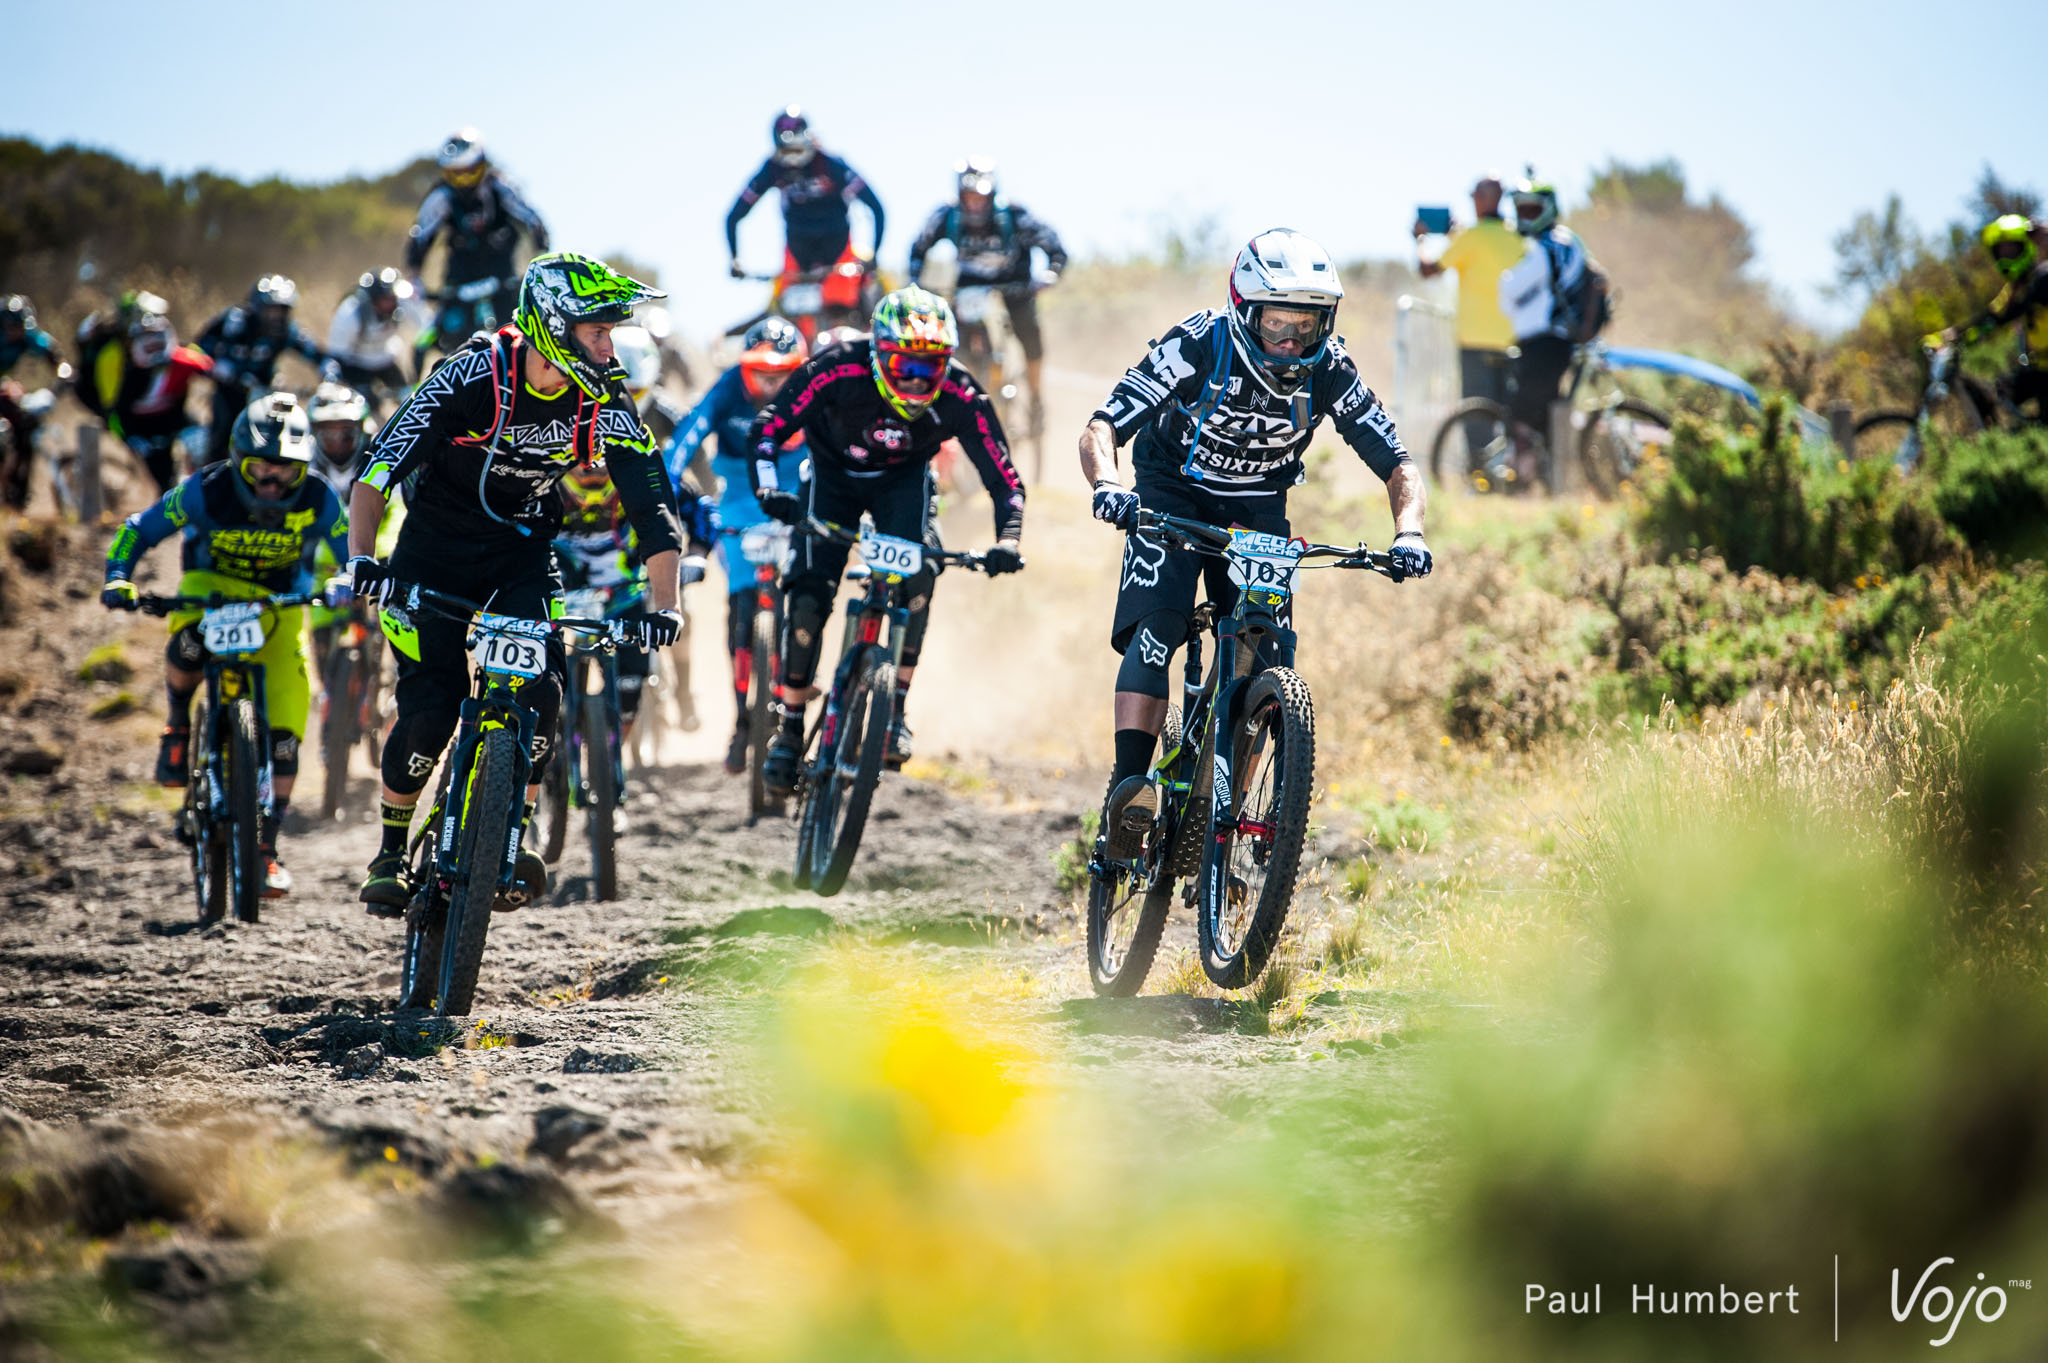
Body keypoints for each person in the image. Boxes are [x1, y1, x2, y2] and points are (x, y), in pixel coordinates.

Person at [340, 252, 687, 914]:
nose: (609, 347)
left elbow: (652, 503)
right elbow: (382, 462)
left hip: (521, 550)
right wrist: (362, 558)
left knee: (543, 693)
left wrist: (666, 605)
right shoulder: (474, 373)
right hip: (432, 550)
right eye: (597, 331)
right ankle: (390, 850)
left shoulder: (604, 396)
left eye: (611, 333)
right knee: (430, 713)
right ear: (553, 326)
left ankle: (510, 835)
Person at [1078, 228, 1431, 850]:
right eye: (1276, 324)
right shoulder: (1199, 343)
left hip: (1258, 508)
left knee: (1265, 653)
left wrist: (1411, 532)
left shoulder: (1331, 369)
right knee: (1159, 627)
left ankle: (1224, 824)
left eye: (1307, 325)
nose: (1292, 341)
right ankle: (1129, 793)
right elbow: (1103, 425)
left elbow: (1398, 464)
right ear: (1245, 311)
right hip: (1172, 491)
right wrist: (1108, 484)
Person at [750, 287, 1025, 791]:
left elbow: (1005, 481)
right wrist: (768, 491)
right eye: (906, 366)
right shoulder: (837, 367)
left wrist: (1008, 540)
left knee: (920, 574)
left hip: (903, 483)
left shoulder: (961, 393)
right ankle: (789, 725)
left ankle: (894, 709)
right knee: (808, 595)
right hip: (831, 480)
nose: (918, 380)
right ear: (877, 353)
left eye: (931, 367)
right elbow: (768, 430)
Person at [100, 393, 348, 896]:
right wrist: (119, 575)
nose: (272, 482)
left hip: (280, 604)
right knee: (189, 645)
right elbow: (139, 529)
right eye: (260, 469)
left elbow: (352, 551)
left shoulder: (320, 498)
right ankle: (177, 724)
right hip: (210, 590)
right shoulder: (205, 489)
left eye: (286, 471)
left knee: (285, 737)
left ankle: (267, 849)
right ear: (238, 460)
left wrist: (348, 578)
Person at [665, 315, 811, 773]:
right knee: (741, 607)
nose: (770, 382)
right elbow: (690, 431)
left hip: (798, 492)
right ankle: (742, 720)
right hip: (741, 500)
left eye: (781, 372)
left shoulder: (813, 385)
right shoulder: (729, 386)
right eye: (759, 371)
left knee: (806, 595)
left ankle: (796, 689)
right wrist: (663, 483)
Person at [553, 459, 712, 771]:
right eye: (584, 470)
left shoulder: (637, 474)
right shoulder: (546, 479)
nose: (592, 478)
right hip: (564, 594)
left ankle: (607, 764)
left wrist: (697, 554)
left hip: (625, 594)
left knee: (631, 687)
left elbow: (699, 508)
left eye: (601, 470)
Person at [907, 156, 1066, 428]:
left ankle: (1036, 399)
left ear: (992, 194)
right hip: (968, 287)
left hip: (1015, 285)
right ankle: (955, 394)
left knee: (1029, 334)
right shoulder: (946, 216)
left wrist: (1050, 273)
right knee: (948, 336)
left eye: (980, 197)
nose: (975, 204)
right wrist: (916, 281)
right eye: (969, 197)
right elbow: (918, 249)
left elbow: (1054, 247)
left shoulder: (1015, 216)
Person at [405, 128, 550, 368]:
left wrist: (540, 259)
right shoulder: (440, 197)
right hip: (459, 278)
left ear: (482, 165)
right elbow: (420, 237)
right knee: (444, 336)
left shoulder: (501, 188)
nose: (464, 182)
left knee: (519, 334)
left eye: (470, 172)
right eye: (456, 175)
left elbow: (533, 222)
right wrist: (414, 277)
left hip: (502, 275)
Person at [1414, 172, 1527, 453]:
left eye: (1474, 195)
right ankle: (1509, 466)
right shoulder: (1517, 237)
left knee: (1476, 415)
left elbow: (1428, 270)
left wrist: (1420, 240)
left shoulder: (1471, 237)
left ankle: (1479, 470)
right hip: (1512, 340)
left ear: (1484, 198)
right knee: (1508, 413)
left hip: (1475, 340)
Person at [1497, 175, 1611, 445]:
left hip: (1545, 342)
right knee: (1546, 413)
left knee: (1524, 417)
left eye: (1532, 210)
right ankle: (1552, 467)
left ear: (1548, 209)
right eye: (1521, 210)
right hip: (1558, 341)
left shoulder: (1547, 247)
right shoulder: (1570, 242)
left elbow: (1509, 291)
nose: (1525, 217)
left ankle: (1526, 470)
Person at [724, 106, 885, 279]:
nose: (793, 160)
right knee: (778, 294)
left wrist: (875, 254)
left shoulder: (831, 165)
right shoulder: (772, 169)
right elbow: (733, 217)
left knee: (842, 292)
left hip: (838, 248)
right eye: (786, 152)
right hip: (797, 250)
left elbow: (876, 207)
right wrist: (735, 259)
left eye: (797, 150)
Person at [76, 311, 213, 493]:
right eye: (147, 342)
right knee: (165, 481)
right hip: (144, 432)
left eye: (157, 340)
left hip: (176, 420)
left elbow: (214, 369)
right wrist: (130, 438)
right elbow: (116, 414)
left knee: (206, 450)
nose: (153, 346)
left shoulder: (183, 359)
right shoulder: (130, 376)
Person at [196, 275, 328, 464]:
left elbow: (315, 353)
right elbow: (200, 347)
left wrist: (329, 372)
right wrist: (218, 367)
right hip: (229, 392)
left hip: (264, 393)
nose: (276, 316)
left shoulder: (287, 331)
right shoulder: (233, 322)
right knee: (221, 436)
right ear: (257, 306)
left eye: (282, 310)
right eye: (271, 310)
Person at [1932, 215, 2048, 421]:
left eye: (2011, 250)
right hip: (2039, 368)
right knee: (2004, 392)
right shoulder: (2014, 289)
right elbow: (1992, 315)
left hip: (2044, 371)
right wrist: (1956, 334)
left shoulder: (2043, 277)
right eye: (2001, 252)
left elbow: (2006, 316)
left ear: (2026, 247)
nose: (2006, 257)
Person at [1, 294, 72, 510]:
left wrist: (63, 376)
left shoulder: (28, 337)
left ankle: (18, 490)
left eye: (21, 327)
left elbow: (55, 357)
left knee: (27, 428)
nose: (18, 332)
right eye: (12, 327)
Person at [325, 267, 418, 404]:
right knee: (366, 404)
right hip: (357, 364)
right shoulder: (350, 314)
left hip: (386, 360)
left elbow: (425, 324)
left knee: (408, 398)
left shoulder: (402, 304)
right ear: (373, 299)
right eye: (387, 298)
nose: (393, 302)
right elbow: (337, 354)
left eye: (394, 297)